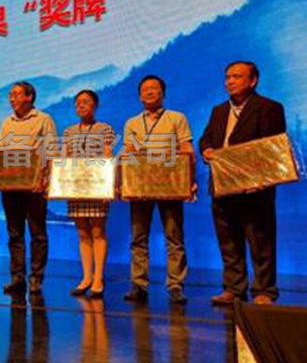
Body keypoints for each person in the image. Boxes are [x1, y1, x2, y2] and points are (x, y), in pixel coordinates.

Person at [199, 61, 286, 306]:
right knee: (228, 241)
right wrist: (206, 149)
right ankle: (234, 288)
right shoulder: (218, 110)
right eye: (228, 77)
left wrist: (265, 179)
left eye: (237, 76)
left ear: (253, 80)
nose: (230, 81)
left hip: (255, 187)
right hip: (223, 185)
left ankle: (264, 290)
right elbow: (206, 138)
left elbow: (273, 147)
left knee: (260, 240)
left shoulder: (268, 107)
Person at [122, 75, 193, 305]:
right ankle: (138, 284)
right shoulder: (132, 122)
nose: (149, 92)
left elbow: (187, 150)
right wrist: (124, 182)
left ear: (163, 92)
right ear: (139, 96)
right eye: (145, 89)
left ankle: (175, 284)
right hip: (140, 186)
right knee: (138, 237)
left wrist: (189, 181)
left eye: (154, 88)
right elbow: (129, 153)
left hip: (170, 185)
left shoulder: (176, 118)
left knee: (174, 236)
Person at [0, 81, 57, 295]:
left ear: (29, 97)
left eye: (17, 94)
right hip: (10, 187)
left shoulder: (43, 119)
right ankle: (17, 277)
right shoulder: (7, 122)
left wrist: (48, 180)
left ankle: (36, 278)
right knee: (14, 234)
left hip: (34, 187)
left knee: (38, 234)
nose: (12, 98)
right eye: (10, 94)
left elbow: (52, 151)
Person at [63, 90, 115, 299]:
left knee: (98, 231)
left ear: (95, 105)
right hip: (75, 187)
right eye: (78, 103)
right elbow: (64, 157)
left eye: (86, 102)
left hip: (96, 186)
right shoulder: (69, 131)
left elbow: (108, 155)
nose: (81, 105)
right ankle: (86, 277)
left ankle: (98, 278)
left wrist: (108, 186)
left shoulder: (105, 128)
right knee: (82, 233)